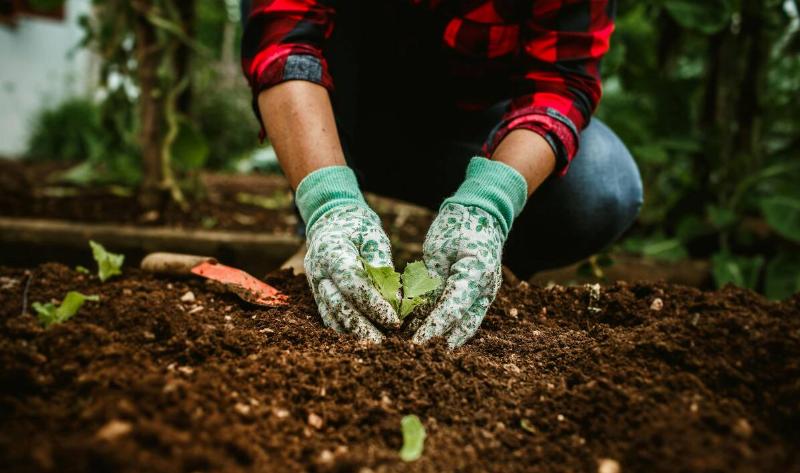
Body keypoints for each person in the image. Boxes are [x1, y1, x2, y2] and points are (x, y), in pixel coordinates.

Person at [241, 1, 643, 348]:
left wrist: (487, 205)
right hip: (339, 117)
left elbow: (560, 82)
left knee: (602, 184)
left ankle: (482, 265)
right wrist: (328, 204)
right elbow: (283, 40)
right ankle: (321, 231)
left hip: (470, 130)